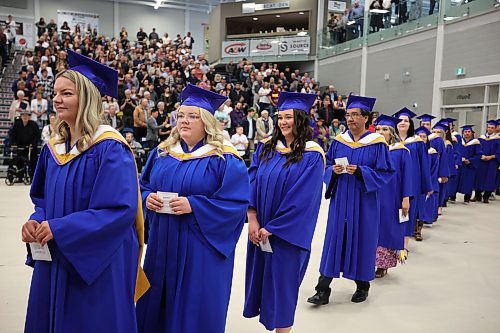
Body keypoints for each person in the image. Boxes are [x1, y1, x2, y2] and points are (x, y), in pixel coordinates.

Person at [21, 49, 149, 333]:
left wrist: (60, 229)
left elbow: (118, 211)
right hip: (57, 251)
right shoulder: (53, 150)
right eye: (55, 93)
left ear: (87, 98)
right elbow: (41, 199)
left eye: (66, 93)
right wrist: (36, 220)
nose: (56, 100)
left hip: (97, 260)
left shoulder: (110, 148)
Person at [136, 84, 249, 333]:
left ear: (207, 121)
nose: (184, 121)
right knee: (157, 305)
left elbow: (236, 205)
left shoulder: (225, 159)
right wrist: (146, 198)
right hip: (162, 246)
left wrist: (194, 205)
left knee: (193, 310)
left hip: (200, 249)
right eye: (181, 115)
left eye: (192, 116)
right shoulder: (162, 153)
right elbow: (141, 186)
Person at [244, 91, 325, 333]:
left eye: (288, 117)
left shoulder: (312, 155)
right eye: (280, 117)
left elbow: (303, 199)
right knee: (264, 284)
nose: (283, 122)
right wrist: (252, 218)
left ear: (300, 119)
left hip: (289, 235)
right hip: (261, 229)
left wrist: (273, 227)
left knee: (283, 287)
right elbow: (252, 181)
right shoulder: (266, 149)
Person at [308, 95, 394, 305]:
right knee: (334, 240)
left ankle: (362, 285)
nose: (351, 118)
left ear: (367, 118)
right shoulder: (339, 141)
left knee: (362, 240)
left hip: (364, 201)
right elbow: (326, 166)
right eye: (348, 114)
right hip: (341, 200)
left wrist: (361, 172)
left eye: (355, 115)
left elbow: (385, 172)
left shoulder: (377, 144)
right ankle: (323, 289)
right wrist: (334, 172)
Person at [374, 115, 413, 278]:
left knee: (388, 229)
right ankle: (370, 260)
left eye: (385, 129)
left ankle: (383, 265)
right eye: (378, 129)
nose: (381, 132)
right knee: (373, 227)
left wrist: (406, 199)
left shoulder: (401, 151)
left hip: (393, 197)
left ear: (392, 132)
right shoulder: (373, 148)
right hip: (374, 195)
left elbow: (408, 176)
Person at [393, 108, 432, 243]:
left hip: (412, 182)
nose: (403, 123)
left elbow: (424, 164)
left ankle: (404, 245)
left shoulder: (418, 142)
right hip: (393, 182)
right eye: (400, 120)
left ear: (410, 124)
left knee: (408, 212)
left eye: (406, 120)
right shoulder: (390, 142)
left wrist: (427, 185)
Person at [415, 126, 439, 235]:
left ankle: (419, 230)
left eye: (424, 137)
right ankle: (411, 229)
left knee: (421, 205)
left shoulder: (431, 152)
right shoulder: (410, 150)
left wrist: (430, 185)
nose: (422, 138)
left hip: (424, 182)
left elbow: (434, 171)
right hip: (413, 182)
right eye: (420, 136)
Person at [473, 120, 499, 203]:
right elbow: (477, 149)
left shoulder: (498, 139)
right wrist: (481, 156)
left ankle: (486, 197)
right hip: (482, 160)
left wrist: (491, 157)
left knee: (490, 178)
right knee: (478, 177)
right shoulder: (481, 138)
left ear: (495, 129)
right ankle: (477, 196)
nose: (490, 129)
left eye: (492, 128)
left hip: (492, 162)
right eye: (489, 127)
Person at [458, 125, 483, 204]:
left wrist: (470, 160)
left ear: (472, 133)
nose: (467, 133)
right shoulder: (459, 142)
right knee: (456, 181)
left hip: (469, 166)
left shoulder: (476, 143)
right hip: (460, 165)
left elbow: (478, 155)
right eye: (465, 132)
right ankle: (452, 196)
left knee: (468, 182)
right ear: (463, 133)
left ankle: (467, 198)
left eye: (469, 132)